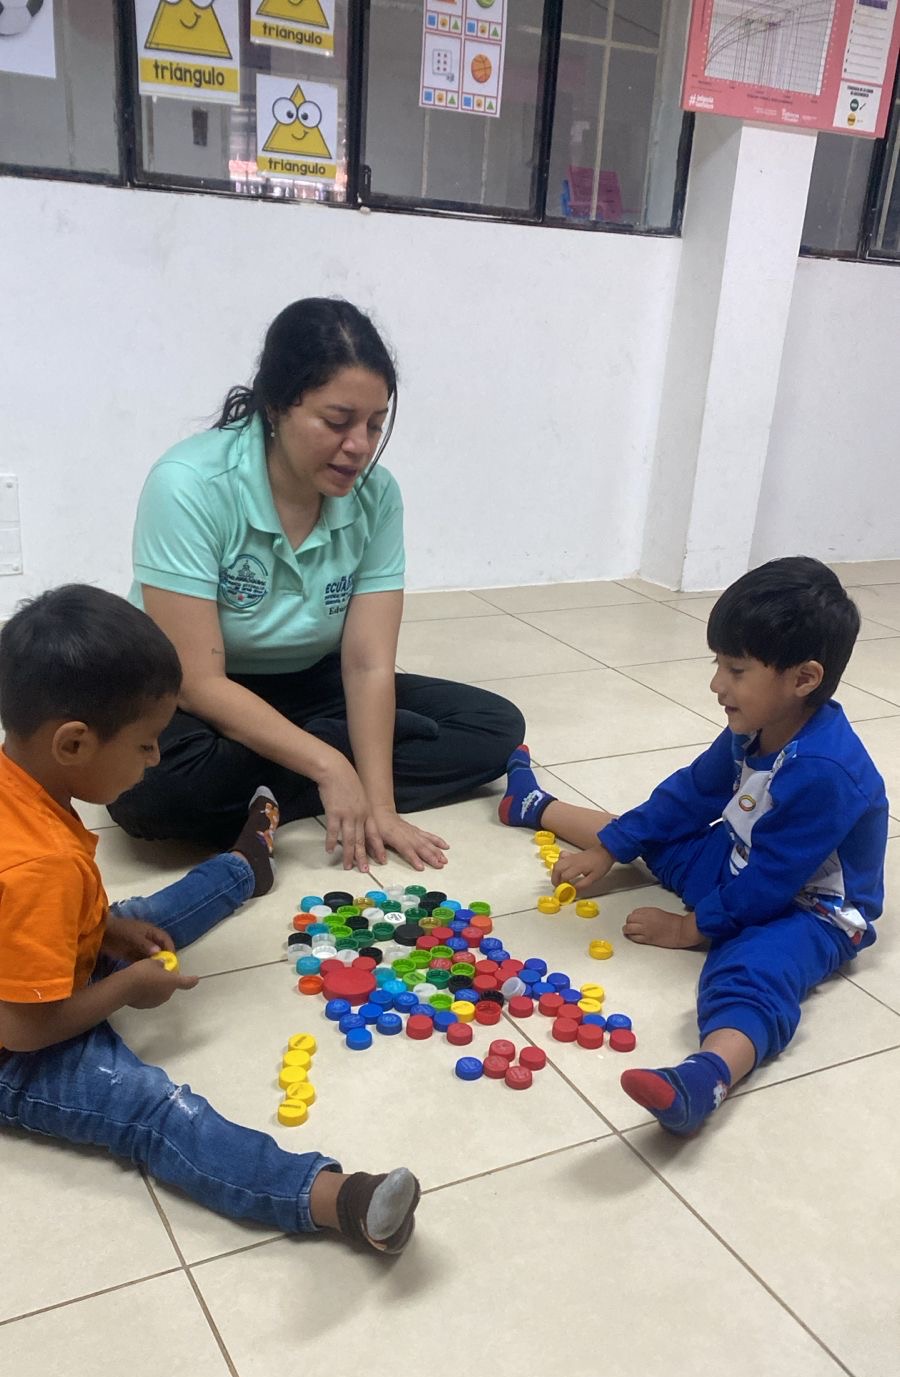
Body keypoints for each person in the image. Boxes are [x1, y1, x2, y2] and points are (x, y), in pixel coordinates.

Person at [0, 585, 420, 1253]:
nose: (156, 759)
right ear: (74, 743)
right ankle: (335, 1200)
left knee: (139, 919)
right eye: (146, 745)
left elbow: (34, 909)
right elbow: (23, 1029)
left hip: (38, 957)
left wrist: (106, 931)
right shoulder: (39, 866)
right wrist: (125, 988)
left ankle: (243, 866)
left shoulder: (21, 788)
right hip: (15, 1046)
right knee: (150, 1108)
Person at [108, 297, 525, 872]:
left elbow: (368, 665)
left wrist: (380, 805)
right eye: (337, 421)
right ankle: (321, 759)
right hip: (196, 691)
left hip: (309, 681)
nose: (360, 445)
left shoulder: (378, 495)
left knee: (494, 727)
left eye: (375, 424)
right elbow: (198, 681)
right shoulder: (189, 483)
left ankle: (277, 783)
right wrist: (329, 764)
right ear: (276, 405)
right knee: (157, 793)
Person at [498, 557, 888, 1134]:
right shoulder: (754, 725)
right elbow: (689, 795)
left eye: (736, 669)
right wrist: (610, 849)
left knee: (753, 967)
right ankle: (532, 805)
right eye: (717, 664)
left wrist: (690, 929)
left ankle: (706, 1078)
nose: (716, 685)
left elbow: (772, 884)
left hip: (812, 908)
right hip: (741, 860)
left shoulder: (825, 772)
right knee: (655, 832)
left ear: (804, 679)